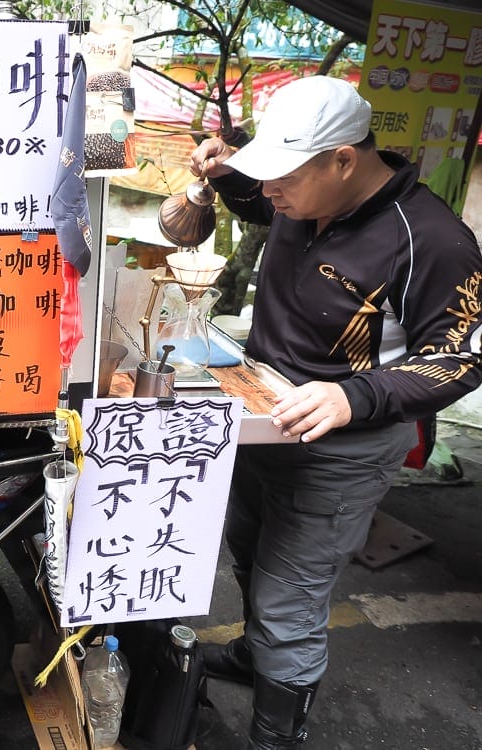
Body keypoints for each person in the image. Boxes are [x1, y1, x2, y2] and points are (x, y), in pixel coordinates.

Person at [188, 75, 482, 749]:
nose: (270, 191)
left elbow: (462, 358)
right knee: (250, 551)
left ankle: (277, 734)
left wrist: (354, 395)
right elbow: (261, 203)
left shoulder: (432, 240)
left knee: (290, 596)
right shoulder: (301, 195)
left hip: (342, 446)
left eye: (283, 176)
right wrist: (231, 174)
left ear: (344, 160)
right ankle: (254, 658)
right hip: (264, 414)